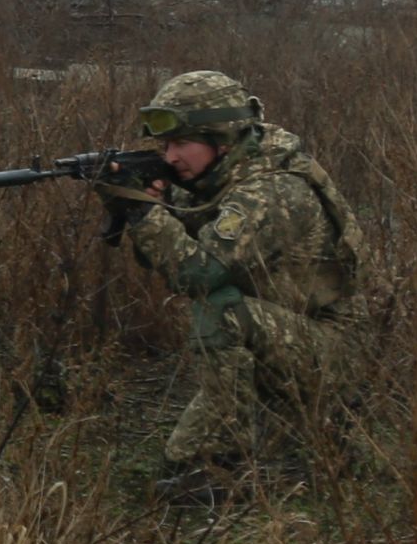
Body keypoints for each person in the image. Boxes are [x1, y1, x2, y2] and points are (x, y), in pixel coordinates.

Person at [97, 70, 369, 500]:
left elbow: (198, 274)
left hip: (333, 351)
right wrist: (145, 205)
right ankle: (284, 437)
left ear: (221, 139)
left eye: (180, 143)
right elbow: (164, 259)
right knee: (178, 453)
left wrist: (143, 212)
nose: (170, 156)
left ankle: (226, 465)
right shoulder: (212, 178)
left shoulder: (272, 191)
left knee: (220, 309)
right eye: (164, 146)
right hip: (283, 332)